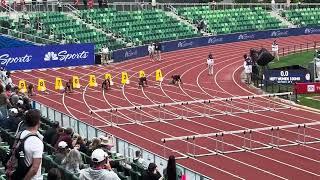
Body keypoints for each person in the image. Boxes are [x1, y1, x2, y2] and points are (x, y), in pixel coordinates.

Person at [6, 109, 44, 180]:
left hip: (17, 173)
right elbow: (34, 169)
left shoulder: (20, 134)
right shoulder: (36, 141)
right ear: (38, 122)